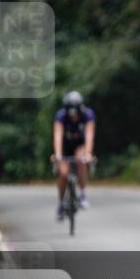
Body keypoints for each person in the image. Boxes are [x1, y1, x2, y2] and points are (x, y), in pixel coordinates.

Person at [52, 90, 96, 220]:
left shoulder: (88, 115)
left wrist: (88, 154)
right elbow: (57, 136)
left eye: (75, 111)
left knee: (80, 159)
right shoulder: (60, 116)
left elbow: (89, 135)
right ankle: (61, 203)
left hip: (80, 146)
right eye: (70, 111)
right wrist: (58, 155)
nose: (73, 115)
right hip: (65, 147)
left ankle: (82, 194)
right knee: (63, 174)